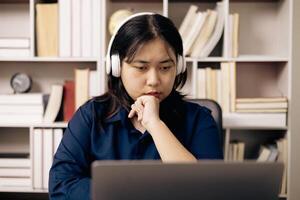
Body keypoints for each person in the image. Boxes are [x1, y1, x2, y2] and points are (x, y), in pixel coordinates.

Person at [49, 12, 223, 200]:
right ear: (116, 67)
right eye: (141, 67)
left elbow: (207, 190)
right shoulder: (91, 115)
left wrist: (155, 125)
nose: (154, 80)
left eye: (165, 67)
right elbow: (61, 185)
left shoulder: (200, 120)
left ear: (179, 66)